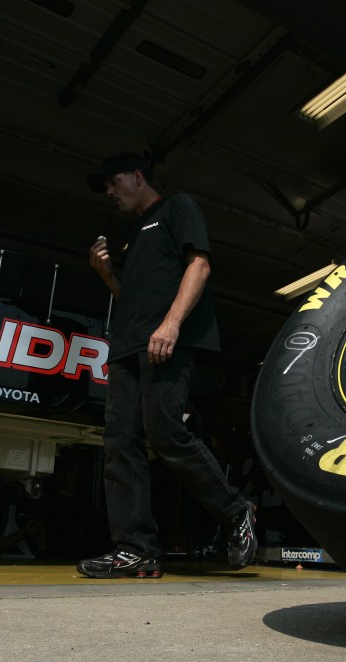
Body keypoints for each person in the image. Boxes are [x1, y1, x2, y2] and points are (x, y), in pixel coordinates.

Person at [79, 152, 256, 579]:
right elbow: (135, 302)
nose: (109, 192)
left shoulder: (177, 208)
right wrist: (107, 277)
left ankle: (236, 512)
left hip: (166, 342)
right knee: (120, 443)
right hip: (127, 346)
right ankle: (135, 548)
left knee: (166, 431)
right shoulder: (133, 235)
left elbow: (200, 264)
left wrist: (173, 325)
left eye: (113, 182)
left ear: (138, 177)